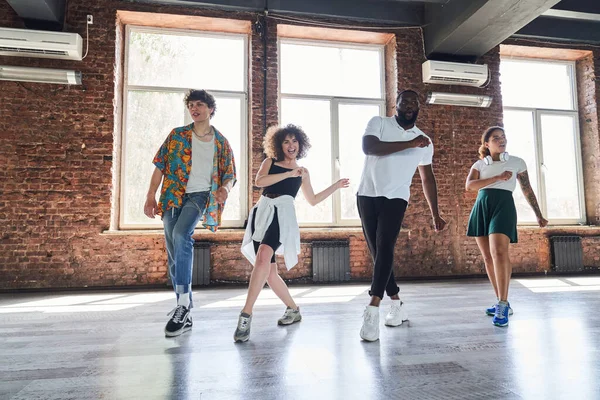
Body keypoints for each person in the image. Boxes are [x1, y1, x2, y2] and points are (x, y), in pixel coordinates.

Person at [235, 124, 349, 342]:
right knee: (269, 273)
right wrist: (288, 173)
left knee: (262, 259)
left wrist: (335, 186)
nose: (291, 145)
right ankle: (293, 309)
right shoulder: (270, 162)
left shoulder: (303, 172)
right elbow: (259, 182)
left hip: (282, 216)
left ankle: (246, 315)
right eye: (286, 141)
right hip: (262, 213)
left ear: (300, 144)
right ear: (279, 144)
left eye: (294, 141)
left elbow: (313, 200)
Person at [144, 89, 236, 337]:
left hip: (199, 196)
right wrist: (150, 196)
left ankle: (183, 304)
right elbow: (160, 166)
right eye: (191, 105)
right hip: (173, 195)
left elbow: (230, 174)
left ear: (210, 109)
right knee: (173, 248)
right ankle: (183, 310)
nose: (194, 109)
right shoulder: (177, 136)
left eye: (199, 105)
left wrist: (225, 189)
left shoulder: (221, 142)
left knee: (182, 234)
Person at [357, 89, 446, 342]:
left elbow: (427, 178)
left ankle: (373, 308)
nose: (409, 105)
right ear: (395, 105)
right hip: (367, 194)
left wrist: (435, 213)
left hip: (396, 197)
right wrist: (409, 144)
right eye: (404, 102)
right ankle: (395, 301)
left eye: (414, 102)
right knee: (377, 252)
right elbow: (369, 147)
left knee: (386, 246)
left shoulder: (424, 140)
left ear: (418, 108)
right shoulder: (379, 123)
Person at [466, 126, 547, 327]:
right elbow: (469, 186)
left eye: (503, 137)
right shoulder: (479, 164)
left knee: (499, 253)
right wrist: (496, 177)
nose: (501, 140)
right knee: (487, 257)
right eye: (496, 138)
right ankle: (500, 300)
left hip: (504, 206)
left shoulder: (517, 162)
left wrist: (538, 214)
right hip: (482, 206)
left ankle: (502, 304)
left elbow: (527, 189)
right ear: (487, 143)